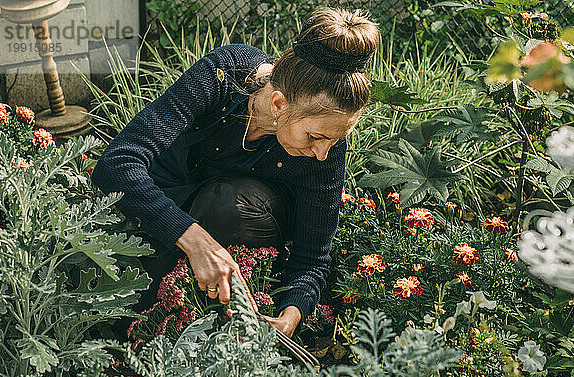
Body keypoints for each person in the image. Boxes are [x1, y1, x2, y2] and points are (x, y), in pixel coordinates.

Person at [91, 6, 380, 338]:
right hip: (169, 202)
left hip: (243, 218)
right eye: (315, 137)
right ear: (278, 104)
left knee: (228, 201)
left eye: (335, 139)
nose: (322, 153)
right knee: (112, 302)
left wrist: (291, 315)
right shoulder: (222, 75)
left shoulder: (325, 143)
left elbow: (312, 258)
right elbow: (117, 163)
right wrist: (196, 241)